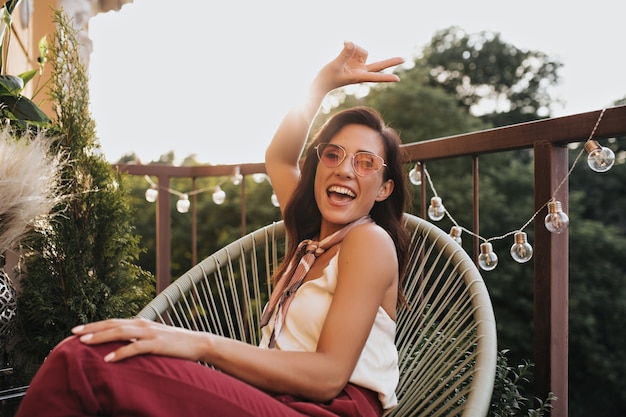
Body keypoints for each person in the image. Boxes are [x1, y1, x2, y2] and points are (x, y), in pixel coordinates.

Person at [15, 41, 409, 417]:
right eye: (333, 154)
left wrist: (199, 343)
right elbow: (278, 157)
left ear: (384, 188)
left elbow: (327, 377)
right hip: (274, 400)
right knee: (95, 359)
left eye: (365, 162)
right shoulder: (314, 237)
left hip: (326, 409)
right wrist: (320, 84)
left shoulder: (368, 241)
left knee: (83, 362)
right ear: (318, 165)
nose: (343, 168)